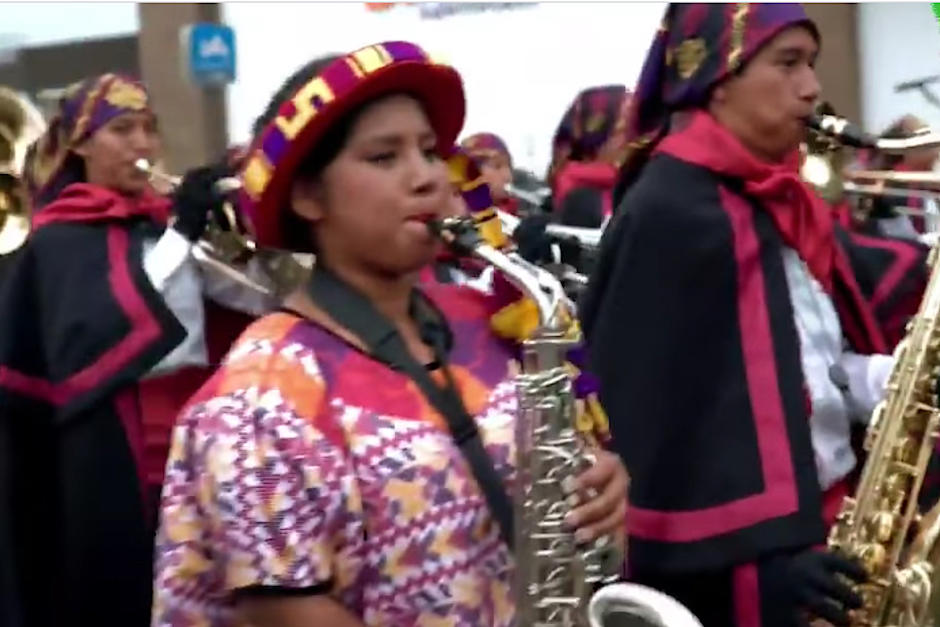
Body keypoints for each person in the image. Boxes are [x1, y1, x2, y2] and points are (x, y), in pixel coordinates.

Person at [152, 41, 628, 627]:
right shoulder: (257, 396)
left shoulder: (490, 321)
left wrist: (603, 490)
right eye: (384, 157)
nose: (428, 177)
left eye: (430, 151)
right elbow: (285, 611)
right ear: (307, 195)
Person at [581, 5, 923, 626]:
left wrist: (893, 380)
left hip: (829, 527)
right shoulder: (668, 212)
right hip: (746, 574)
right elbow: (646, 438)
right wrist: (761, 575)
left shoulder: (773, 193)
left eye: (812, 63)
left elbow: (814, 366)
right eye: (787, 63)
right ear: (715, 78)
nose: (812, 88)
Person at [0, 73, 258, 626]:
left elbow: (255, 299)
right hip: (116, 434)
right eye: (122, 129)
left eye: (148, 129)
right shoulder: (59, 239)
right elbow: (110, 324)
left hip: (200, 423)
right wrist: (182, 234)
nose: (142, 144)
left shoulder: (163, 224)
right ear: (82, 145)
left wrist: (235, 229)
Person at [460, 132, 519, 215]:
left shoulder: (514, 214)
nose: (508, 177)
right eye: (497, 166)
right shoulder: (455, 219)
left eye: (509, 166)